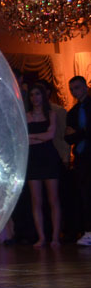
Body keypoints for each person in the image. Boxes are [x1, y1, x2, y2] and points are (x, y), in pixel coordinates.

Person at [26, 84, 62, 248]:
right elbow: (25, 139)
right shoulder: (26, 116)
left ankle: (55, 237)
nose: (35, 98)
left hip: (49, 158)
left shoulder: (51, 114)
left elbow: (50, 135)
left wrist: (33, 136)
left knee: (53, 199)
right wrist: (40, 137)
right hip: (33, 159)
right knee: (36, 201)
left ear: (43, 96)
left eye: (38, 94)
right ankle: (41, 237)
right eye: (32, 95)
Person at [65, 76, 91, 246]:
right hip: (82, 159)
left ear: (85, 87)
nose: (75, 91)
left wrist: (79, 133)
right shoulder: (73, 112)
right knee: (85, 195)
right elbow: (68, 138)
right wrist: (82, 132)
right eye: (72, 89)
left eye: (77, 87)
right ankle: (88, 231)